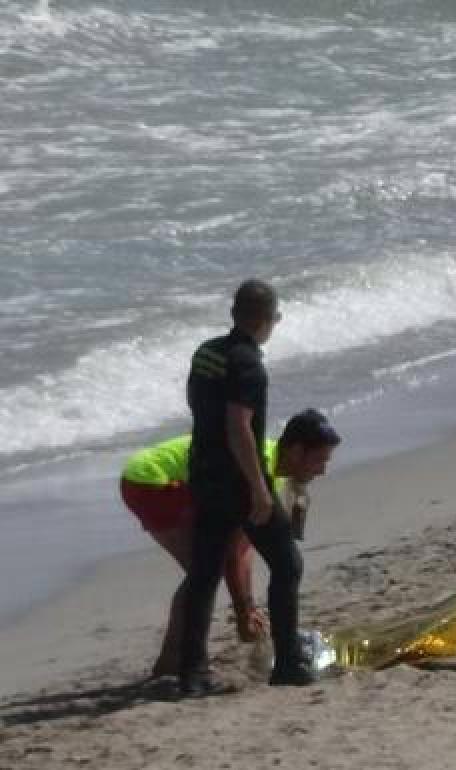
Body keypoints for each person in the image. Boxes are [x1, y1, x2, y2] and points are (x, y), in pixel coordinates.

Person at [120, 409, 341, 678]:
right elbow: (234, 553)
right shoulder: (256, 473)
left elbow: (243, 546)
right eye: (319, 461)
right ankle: (171, 661)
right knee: (204, 572)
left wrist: (246, 607)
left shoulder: (272, 467)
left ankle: (174, 659)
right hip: (153, 480)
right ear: (296, 452)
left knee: (206, 570)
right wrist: (244, 611)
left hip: (154, 477)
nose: (323, 471)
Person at [178, 279, 312, 695]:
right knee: (287, 564)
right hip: (238, 480)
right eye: (275, 317)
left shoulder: (207, 352)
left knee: (204, 574)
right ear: (266, 319)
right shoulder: (248, 363)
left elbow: (197, 405)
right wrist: (257, 488)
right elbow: (239, 426)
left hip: (203, 472)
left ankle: (193, 674)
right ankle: (287, 664)